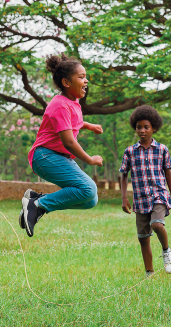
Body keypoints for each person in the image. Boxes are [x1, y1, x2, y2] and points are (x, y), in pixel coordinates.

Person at [20, 54, 104, 237]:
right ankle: (36, 205)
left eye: (85, 76)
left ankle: (37, 202)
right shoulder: (59, 105)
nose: (86, 80)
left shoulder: (72, 102)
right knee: (88, 189)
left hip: (56, 156)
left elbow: (72, 122)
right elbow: (69, 141)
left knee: (91, 200)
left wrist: (88, 125)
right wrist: (90, 159)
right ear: (66, 83)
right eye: (81, 77)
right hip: (44, 156)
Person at [120, 105, 171, 277]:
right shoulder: (130, 151)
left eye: (146, 127)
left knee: (157, 224)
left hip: (159, 195)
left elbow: (169, 174)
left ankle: (166, 251)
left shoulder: (162, 150)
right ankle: (149, 272)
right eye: (139, 127)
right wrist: (124, 198)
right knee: (143, 238)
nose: (142, 130)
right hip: (140, 199)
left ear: (154, 128)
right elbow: (123, 175)